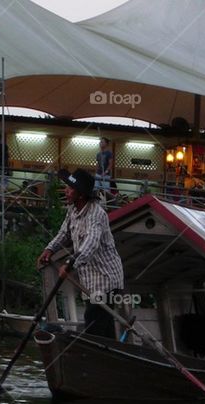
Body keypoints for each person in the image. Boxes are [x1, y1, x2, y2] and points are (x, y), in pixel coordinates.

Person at [37, 168, 124, 339]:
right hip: (90, 279)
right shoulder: (73, 210)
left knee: (94, 323)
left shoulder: (96, 214)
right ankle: (108, 352)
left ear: (81, 195)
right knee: (103, 328)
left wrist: (70, 264)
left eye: (70, 188)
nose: (66, 191)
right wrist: (49, 249)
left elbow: (91, 242)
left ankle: (95, 352)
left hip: (106, 279)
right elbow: (64, 233)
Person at [95, 137, 113, 202]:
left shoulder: (109, 153)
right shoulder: (98, 154)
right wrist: (96, 172)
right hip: (98, 174)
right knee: (96, 189)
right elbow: (97, 164)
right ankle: (96, 202)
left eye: (102, 142)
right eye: (100, 142)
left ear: (106, 144)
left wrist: (106, 172)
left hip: (106, 175)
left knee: (106, 191)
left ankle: (108, 204)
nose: (100, 143)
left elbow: (110, 164)